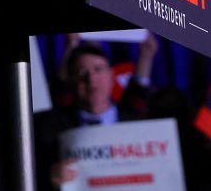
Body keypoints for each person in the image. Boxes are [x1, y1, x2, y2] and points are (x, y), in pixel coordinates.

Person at [35, 36, 156, 188]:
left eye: (98, 69)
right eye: (82, 72)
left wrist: (146, 55)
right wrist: (51, 176)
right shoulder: (51, 131)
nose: (91, 79)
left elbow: (139, 90)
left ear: (111, 75)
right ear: (72, 82)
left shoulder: (138, 123)